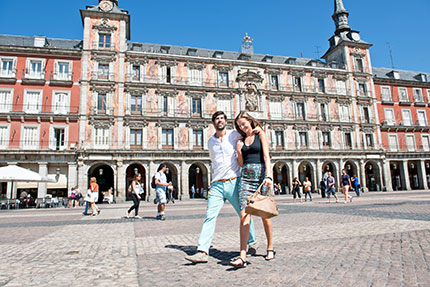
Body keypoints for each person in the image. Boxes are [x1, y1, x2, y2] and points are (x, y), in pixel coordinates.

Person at [185, 111, 257, 264]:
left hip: (234, 181)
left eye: (222, 118)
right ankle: (202, 251)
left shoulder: (234, 135)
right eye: (217, 119)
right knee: (210, 216)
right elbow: (214, 162)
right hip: (217, 184)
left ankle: (251, 241)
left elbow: (248, 133)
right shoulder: (211, 141)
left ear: (226, 121)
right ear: (213, 122)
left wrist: (257, 131)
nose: (220, 121)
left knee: (243, 214)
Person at [229, 111, 275, 268]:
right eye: (239, 126)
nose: (242, 127)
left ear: (250, 120)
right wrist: (238, 151)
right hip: (246, 178)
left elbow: (267, 157)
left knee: (264, 214)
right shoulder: (241, 140)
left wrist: (268, 176)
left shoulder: (260, 134)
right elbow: (241, 164)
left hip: (261, 176)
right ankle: (242, 255)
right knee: (244, 215)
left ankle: (270, 247)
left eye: (243, 123)